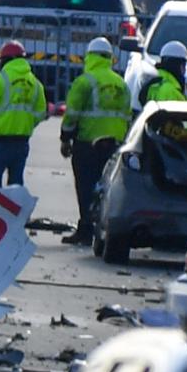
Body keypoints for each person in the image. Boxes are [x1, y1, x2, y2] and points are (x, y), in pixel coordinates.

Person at [61, 36, 133, 247]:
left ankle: (85, 230)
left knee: (85, 187)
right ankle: (104, 229)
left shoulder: (85, 81)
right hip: (115, 145)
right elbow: (127, 115)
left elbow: (72, 114)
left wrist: (65, 139)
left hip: (88, 143)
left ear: (89, 56)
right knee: (109, 189)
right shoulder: (121, 83)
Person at [0, 38, 48, 191]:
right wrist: (27, 123)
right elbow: (41, 113)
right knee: (16, 187)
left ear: (6, 60)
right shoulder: (35, 83)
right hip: (21, 141)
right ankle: (15, 215)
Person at [142, 40, 187, 105]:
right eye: (184, 65)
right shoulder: (171, 92)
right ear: (178, 66)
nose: (185, 69)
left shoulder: (156, 83)